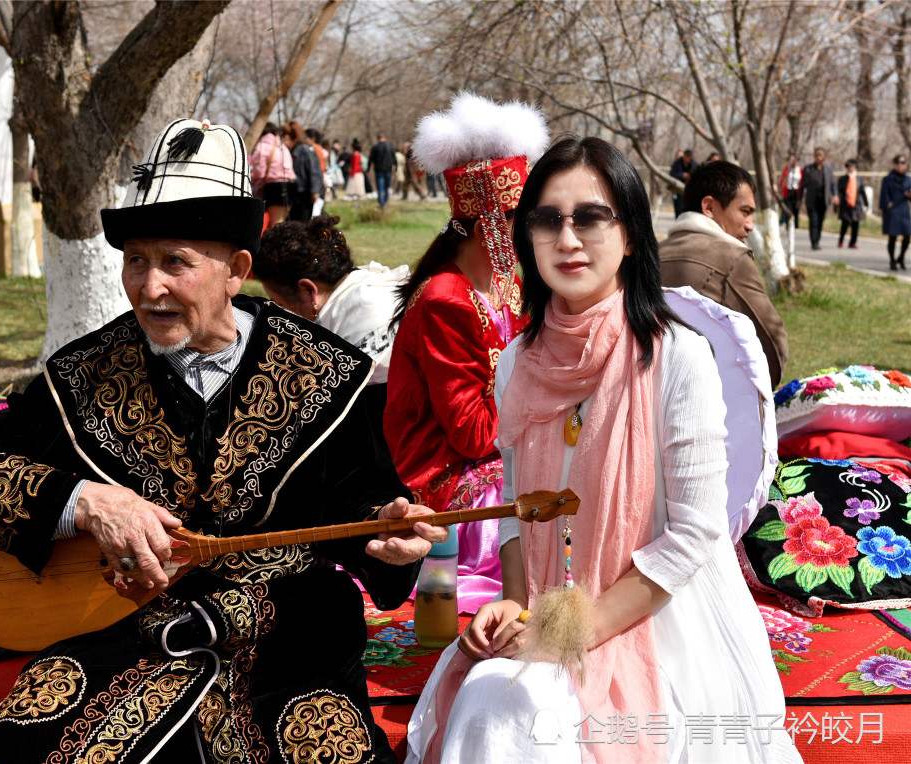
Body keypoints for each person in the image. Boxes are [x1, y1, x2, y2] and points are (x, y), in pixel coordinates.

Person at [0, 118, 445, 764]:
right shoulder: (88, 374)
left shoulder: (328, 374)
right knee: (14, 750)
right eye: (136, 261)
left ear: (236, 271)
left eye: (175, 262)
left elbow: (372, 509)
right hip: (121, 634)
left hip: (286, 643)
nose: (149, 288)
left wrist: (391, 540)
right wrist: (86, 502)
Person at [406, 135, 801, 764]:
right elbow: (515, 504)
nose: (567, 240)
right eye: (547, 220)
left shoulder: (677, 357)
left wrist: (578, 628)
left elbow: (696, 535)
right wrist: (514, 601)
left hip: (661, 616)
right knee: (488, 696)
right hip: (546, 613)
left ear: (632, 235)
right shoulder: (518, 362)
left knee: (519, 713)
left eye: (591, 217)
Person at [384, 93, 548, 613]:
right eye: (526, 221)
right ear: (488, 227)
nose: (536, 236)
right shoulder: (445, 301)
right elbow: (473, 434)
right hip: (448, 474)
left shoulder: (509, 286)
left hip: (502, 448)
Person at [658, 160, 789, 387]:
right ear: (709, 207)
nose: (750, 225)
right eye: (745, 212)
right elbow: (773, 345)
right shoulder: (733, 258)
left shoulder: (650, 254)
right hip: (710, 401)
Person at [251, 213, 409, 400]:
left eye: (281, 304)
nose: (281, 312)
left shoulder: (366, 315)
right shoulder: (352, 291)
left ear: (308, 290)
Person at [249, 121, 295, 226]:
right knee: (281, 221)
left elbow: (259, 172)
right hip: (290, 185)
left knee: (276, 225)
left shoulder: (262, 146)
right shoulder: (282, 145)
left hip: (275, 186)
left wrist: (251, 177)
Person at [282, 121, 322, 223]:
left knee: (303, 222)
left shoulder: (304, 150)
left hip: (305, 193)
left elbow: (314, 171)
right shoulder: (292, 150)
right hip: (294, 193)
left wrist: (315, 191)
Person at [799, 146, 838, 250]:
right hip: (812, 200)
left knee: (820, 221)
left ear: (824, 157)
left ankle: (817, 240)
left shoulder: (828, 169)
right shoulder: (808, 169)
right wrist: (800, 198)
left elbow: (833, 184)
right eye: (817, 155)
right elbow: (802, 186)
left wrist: (835, 195)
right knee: (813, 221)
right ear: (814, 157)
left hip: (823, 200)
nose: (819, 157)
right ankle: (814, 242)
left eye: (821, 155)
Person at [879, 153, 911, 270]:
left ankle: (901, 257)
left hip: (904, 210)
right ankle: (892, 260)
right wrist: (888, 205)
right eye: (898, 163)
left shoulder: (908, 179)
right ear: (894, 164)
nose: (901, 165)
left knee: (907, 236)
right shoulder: (888, 179)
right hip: (892, 211)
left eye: (903, 163)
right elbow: (884, 194)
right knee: (892, 237)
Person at [836, 158, 868, 249]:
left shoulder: (859, 179)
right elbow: (839, 192)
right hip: (846, 204)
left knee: (855, 225)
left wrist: (866, 203)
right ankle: (841, 240)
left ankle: (852, 242)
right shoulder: (843, 179)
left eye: (852, 166)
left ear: (856, 167)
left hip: (856, 204)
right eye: (849, 166)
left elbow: (862, 192)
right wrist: (837, 203)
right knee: (845, 223)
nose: (851, 168)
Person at [367, 133, 397, 209]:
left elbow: (370, 159)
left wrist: (368, 169)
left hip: (379, 170)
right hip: (388, 170)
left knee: (380, 188)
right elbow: (394, 159)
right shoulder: (390, 146)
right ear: (385, 138)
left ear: (378, 138)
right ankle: (386, 203)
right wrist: (396, 169)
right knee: (387, 188)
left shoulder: (375, 147)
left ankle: (382, 204)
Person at [668, 148, 697, 217]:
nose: (688, 160)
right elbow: (672, 174)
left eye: (690, 158)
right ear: (684, 156)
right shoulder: (677, 163)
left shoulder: (694, 163)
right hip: (678, 189)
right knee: (678, 208)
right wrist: (682, 175)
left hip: (690, 189)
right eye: (687, 158)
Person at [777, 154, 802, 225]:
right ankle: (788, 223)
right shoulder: (786, 170)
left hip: (797, 192)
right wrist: (780, 191)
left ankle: (796, 225)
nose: (793, 162)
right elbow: (782, 181)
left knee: (796, 209)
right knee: (788, 208)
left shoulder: (800, 170)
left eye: (794, 160)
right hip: (788, 191)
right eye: (791, 160)